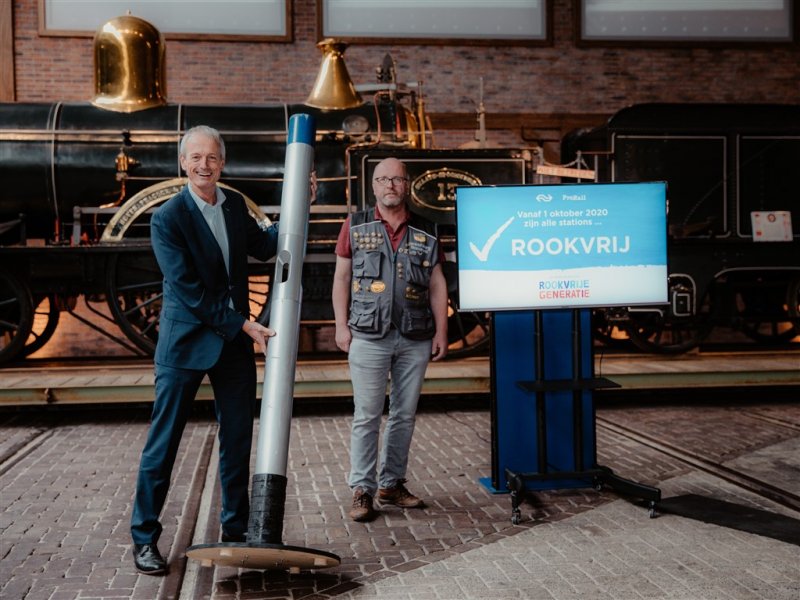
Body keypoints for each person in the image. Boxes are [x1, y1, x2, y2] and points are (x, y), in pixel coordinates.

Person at [131, 125, 282, 575]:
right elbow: (189, 290)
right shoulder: (167, 218)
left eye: (212, 157)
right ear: (183, 163)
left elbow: (266, 247)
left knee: (237, 440)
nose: (204, 165)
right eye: (195, 157)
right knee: (163, 444)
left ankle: (234, 530)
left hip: (232, 343)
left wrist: (300, 201)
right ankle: (144, 539)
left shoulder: (233, 204)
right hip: (185, 343)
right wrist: (243, 324)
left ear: (222, 163)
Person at [332, 157, 448, 522]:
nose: (390, 186)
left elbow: (437, 283)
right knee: (367, 416)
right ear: (373, 186)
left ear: (406, 184)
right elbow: (341, 278)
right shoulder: (355, 225)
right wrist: (340, 326)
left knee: (404, 416)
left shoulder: (427, 229)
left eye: (396, 179)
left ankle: (391, 484)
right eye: (383, 179)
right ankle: (362, 490)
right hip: (368, 334)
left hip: (415, 335)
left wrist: (442, 331)